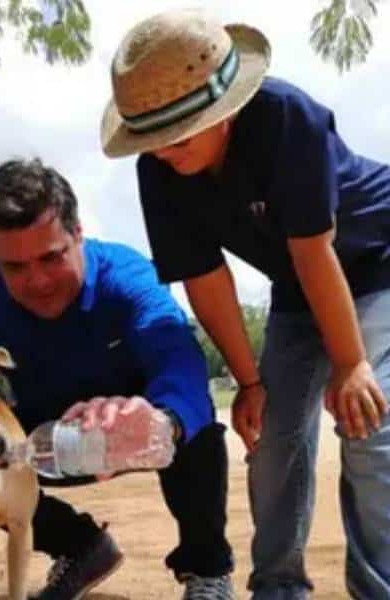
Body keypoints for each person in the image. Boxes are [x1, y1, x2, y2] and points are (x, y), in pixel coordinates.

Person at [100, 9, 390, 599]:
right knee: (272, 440)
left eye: (179, 137)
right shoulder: (160, 170)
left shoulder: (287, 119)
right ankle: (278, 586)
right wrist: (250, 383)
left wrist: (351, 363)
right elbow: (205, 279)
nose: (164, 152)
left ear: (223, 111)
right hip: (297, 285)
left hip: (375, 262)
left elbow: (314, 251)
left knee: (367, 427)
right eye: (152, 141)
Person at [0, 159, 234, 600]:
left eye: (52, 257)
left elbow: (178, 360)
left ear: (78, 234)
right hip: (42, 437)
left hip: (129, 427)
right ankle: (79, 545)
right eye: (15, 267)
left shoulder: (127, 277)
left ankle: (207, 571)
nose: (38, 281)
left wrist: (165, 420)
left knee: (196, 429)